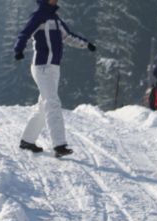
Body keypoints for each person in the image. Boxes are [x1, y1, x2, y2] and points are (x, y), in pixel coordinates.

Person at [13, 0, 96, 158]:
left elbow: (68, 36)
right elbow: (25, 33)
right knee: (52, 102)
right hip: (42, 66)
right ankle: (59, 145)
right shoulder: (39, 16)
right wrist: (18, 50)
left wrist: (86, 44)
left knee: (44, 106)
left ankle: (27, 140)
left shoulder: (55, 19)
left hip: (53, 67)